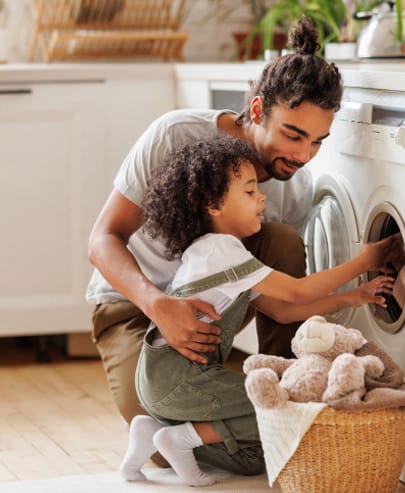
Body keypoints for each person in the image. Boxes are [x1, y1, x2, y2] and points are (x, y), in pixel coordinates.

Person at [87, 15, 352, 427]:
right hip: (132, 304)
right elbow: (103, 237)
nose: (303, 155)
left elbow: (282, 300)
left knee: (280, 239)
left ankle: (287, 386)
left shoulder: (294, 188)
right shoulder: (175, 136)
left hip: (213, 309)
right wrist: (158, 305)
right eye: (293, 135)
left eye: (317, 141)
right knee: (160, 433)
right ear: (259, 109)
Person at [118, 135, 397, 486]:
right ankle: (180, 438)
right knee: (282, 407)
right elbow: (297, 291)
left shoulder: (208, 253)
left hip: (159, 379)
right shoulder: (224, 252)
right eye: (249, 192)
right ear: (213, 205)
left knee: (251, 460)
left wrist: (354, 296)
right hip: (182, 379)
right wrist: (364, 261)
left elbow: (282, 311)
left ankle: (151, 431)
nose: (261, 197)